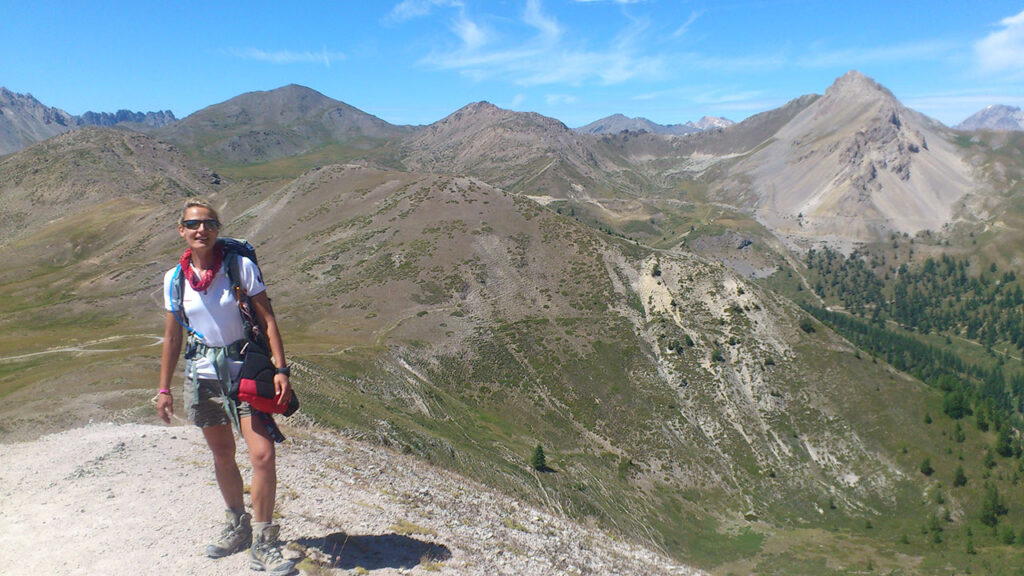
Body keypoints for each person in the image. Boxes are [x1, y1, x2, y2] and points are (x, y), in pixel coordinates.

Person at [156, 198, 295, 575]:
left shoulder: (239, 267)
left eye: (209, 223)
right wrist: (164, 389)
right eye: (193, 223)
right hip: (202, 375)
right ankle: (237, 525)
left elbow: (267, 319)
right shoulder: (174, 279)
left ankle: (264, 542)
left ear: (217, 229)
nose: (201, 229)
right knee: (222, 454)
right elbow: (172, 339)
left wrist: (281, 368)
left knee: (262, 454)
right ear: (181, 230)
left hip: (244, 371)